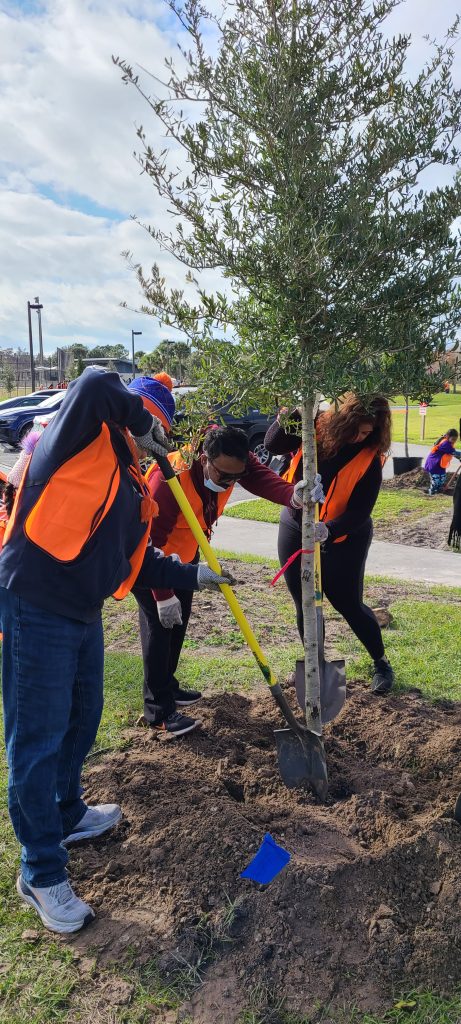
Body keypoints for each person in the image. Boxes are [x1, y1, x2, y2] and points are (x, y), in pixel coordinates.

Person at [0, 368, 234, 935]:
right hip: (34, 602)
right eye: (152, 422)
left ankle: (69, 812)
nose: (156, 433)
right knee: (37, 737)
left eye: (161, 427)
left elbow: (134, 558)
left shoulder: (130, 483)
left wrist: (191, 574)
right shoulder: (76, 435)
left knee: (83, 721)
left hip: (81, 612)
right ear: (134, 416)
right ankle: (41, 871)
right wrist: (139, 417)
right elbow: (94, 381)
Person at [132, 419, 324, 735]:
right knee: (159, 626)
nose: (229, 483)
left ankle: (169, 686)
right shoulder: (168, 482)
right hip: (150, 561)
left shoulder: (231, 459)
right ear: (204, 459)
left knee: (178, 623)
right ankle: (159, 711)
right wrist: (163, 594)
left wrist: (293, 496)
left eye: (236, 476)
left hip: (185, 554)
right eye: (223, 475)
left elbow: (259, 477)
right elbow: (149, 542)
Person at [264, 394, 395, 695]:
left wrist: (329, 530)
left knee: (347, 602)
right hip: (296, 525)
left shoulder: (369, 456)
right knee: (305, 602)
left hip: (345, 535)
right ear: (342, 421)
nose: (362, 437)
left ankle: (381, 663)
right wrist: (299, 409)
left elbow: (361, 512)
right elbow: (273, 444)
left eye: (368, 432)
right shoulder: (315, 427)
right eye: (358, 430)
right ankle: (316, 665)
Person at [424, 429, 461, 495]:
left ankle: (437, 492)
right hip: (434, 464)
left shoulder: (449, 443)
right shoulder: (445, 443)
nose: (454, 441)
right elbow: (454, 453)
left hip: (440, 464)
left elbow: (452, 453)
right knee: (436, 480)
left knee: (442, 479)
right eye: (453, 439)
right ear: (447, 437)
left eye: (455, 440)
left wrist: (459, 458)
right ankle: (431, 493)